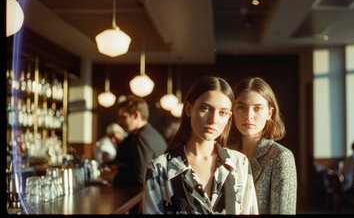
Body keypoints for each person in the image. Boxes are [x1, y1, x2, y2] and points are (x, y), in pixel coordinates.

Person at [142, 76, 258, 214]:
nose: (213, 119)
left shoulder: (240, 163)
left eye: (222, 112)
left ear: (228, 117)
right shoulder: (160, 168)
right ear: (189, 109)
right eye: (205, 108)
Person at [228, 77, 297, 214]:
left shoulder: (280, 156)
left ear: (269, 113)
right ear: (233, 111)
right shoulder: (227, 153)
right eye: (241, 107)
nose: (249, 116)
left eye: (257, 108)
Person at [102, 95, 167, 186]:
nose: (120, 122)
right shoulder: (153, 133)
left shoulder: (141, 137)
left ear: (136, 115)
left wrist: (112, 177)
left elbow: (141, 179)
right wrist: (120, 169)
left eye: (124, 117)